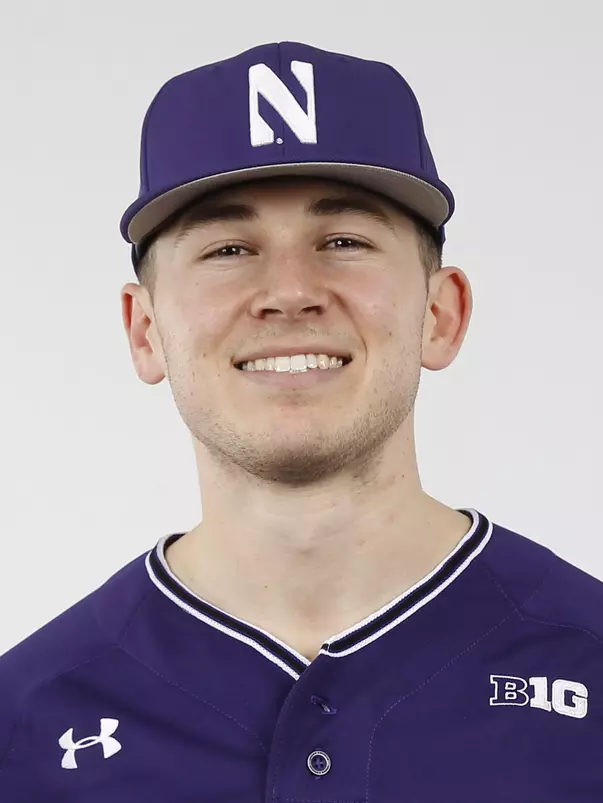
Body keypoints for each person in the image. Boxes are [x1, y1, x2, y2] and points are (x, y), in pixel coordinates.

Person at [0, 41, 601, 802]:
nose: (288, 292)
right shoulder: (21, 724)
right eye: (228, 248)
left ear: (440, 313)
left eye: (343, 241)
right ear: (144, 330)